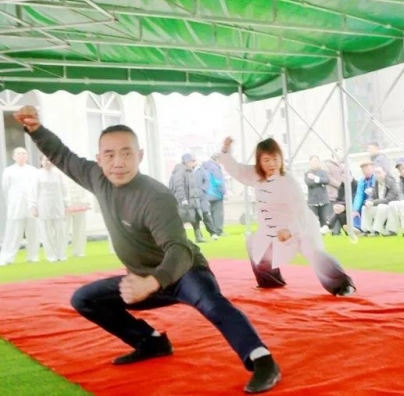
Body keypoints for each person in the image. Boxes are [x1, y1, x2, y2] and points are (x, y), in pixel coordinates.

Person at [13, 105, 280, 394]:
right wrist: (36, 129)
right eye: (110, 155)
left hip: (184, 272)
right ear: (99, 159)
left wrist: (150, 283)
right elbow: (62, 155)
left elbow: (178, 248)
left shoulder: (155, 196)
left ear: (140, 156)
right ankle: (151, 341)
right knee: (85, 299)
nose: (118, 162)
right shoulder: (96, 178)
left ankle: (262, 360)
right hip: (142, 279)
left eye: (127, 153)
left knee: (212, 303)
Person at [218, 137, 355, 296]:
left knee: (315, 254)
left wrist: (290, 231)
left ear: (281, 159)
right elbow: (236, 169)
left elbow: (300, 212)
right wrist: (226, 150)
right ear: (259, 161)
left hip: (300, 226)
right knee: (254, 244)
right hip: (273, 229)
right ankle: (270, 281)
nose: (271, 164)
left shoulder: (289, 182)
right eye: (266, 160)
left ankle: (343, 285)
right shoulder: (255, 174)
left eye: (275, 159)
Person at [0, 147, 39, 265]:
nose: (22, 155)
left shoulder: (33, 171)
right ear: (14, 156)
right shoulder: (8, 171)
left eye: (24, 153)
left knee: (33, 232)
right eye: (19, 153)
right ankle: (7, 257)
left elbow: (37, 188)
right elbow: (6, 188)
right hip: (15, 205)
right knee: (13, 232)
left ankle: (33, 256)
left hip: (31, 205)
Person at [31, 155, 69, 262]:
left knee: (60, 231)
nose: (48, 162)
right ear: (41, 161)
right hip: (43, 204)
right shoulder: (37, 174)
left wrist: (66, 204)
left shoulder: (58, 173)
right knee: (46, 232)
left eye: (50, 160)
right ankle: (51, 255)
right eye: (46, 160)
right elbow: (34, 191)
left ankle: (61, 254)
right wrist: (33, 207)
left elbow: (64, 189)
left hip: (57, 204)